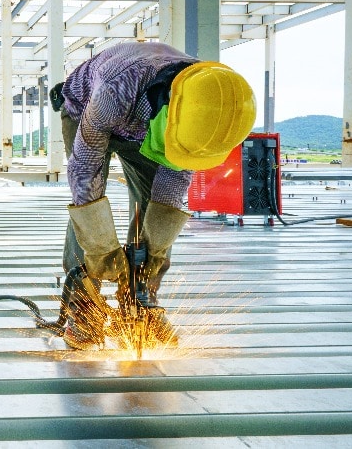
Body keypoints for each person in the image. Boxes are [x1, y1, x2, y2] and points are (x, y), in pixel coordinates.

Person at [49, 42, 256, 349]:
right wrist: (103, 250)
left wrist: (154, 254)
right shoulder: (116, 88)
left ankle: (140, 300)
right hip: (86, 113)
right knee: (88, 209)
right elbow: (84, 174)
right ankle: (85, 304)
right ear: (166, 110)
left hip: (149, 125)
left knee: (151, 214)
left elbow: (169, 190)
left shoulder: (205, 115)